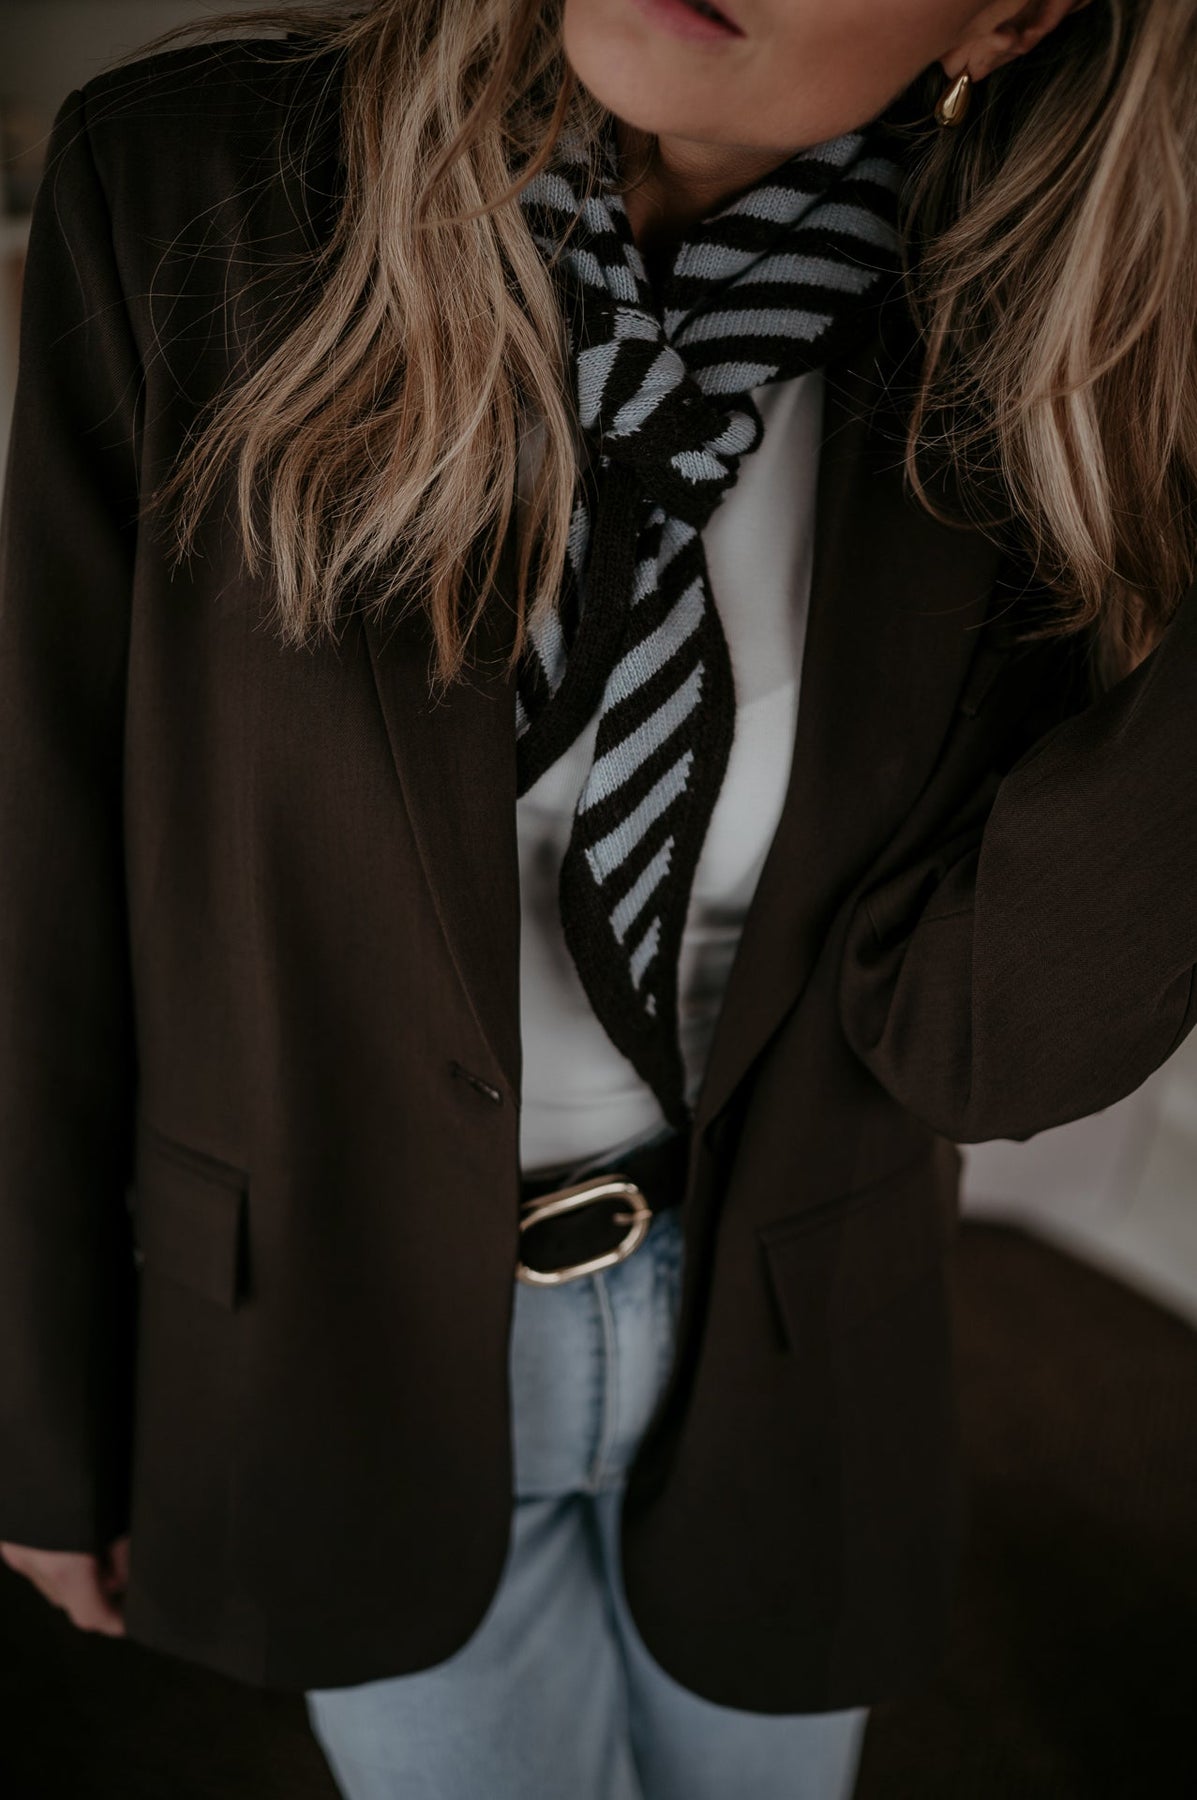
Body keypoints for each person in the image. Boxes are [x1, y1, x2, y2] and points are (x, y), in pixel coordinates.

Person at [1, 0, 1194, 1795]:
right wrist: (38, 1414)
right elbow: (49, 859)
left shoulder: (1038, 340)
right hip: (326, 1324)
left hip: (792, 1345)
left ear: (1010, 15)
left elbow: (980, 1049)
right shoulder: (195, 179)